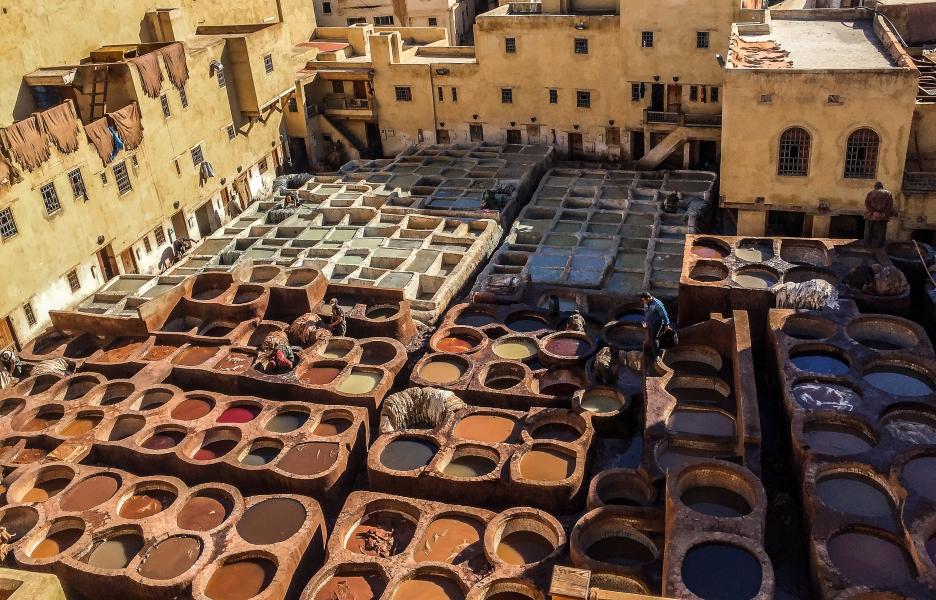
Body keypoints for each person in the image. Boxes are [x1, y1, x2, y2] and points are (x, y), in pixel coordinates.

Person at [641, 291, 672, 360]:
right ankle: (654, 349)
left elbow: (664, 314)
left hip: (657, 323)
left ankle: (656, 356)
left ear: (648, 298)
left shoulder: (657, 303)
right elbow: (646, 313)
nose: (643, 302)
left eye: (644, 300)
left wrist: (667, 324)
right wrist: (645, 321)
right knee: (651, 336)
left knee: (653, 338)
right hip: (650, 323)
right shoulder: (646, 303)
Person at [864, 182, 895, 248]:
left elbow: (867, 203)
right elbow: (890, 206)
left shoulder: (870, 193)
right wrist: (882, 213)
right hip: (883, 217)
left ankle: (867, 245)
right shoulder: (888, 193)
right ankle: (880, 247)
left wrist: (874, 212)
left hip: (870, 215)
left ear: (875, 187)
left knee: (868, 231)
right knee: (881, 232)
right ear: (882, 187)